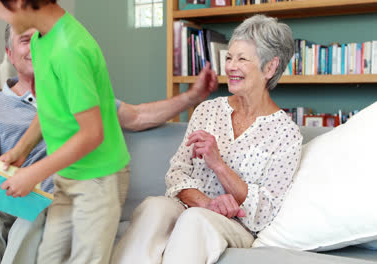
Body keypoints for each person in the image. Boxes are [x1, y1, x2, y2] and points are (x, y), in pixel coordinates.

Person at [0, 1, 219, 264]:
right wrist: (20, 150)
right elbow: (51, 108)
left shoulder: (70, 50)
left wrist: (32, 173)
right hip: (69, 175)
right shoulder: (40, 41)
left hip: (98, 178)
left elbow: (92, 133)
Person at [111, 14, 303, 264]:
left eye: (242, 59)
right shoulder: (207, 111)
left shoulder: (286, 134)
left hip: (237, 225)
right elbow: (177, 173)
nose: (231, 66)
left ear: (270, 67)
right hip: (193, 207)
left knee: (195, 220)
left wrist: (219, 165)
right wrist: (207, 203)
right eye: (229, 57)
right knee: (153, 207)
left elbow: (264, 212)